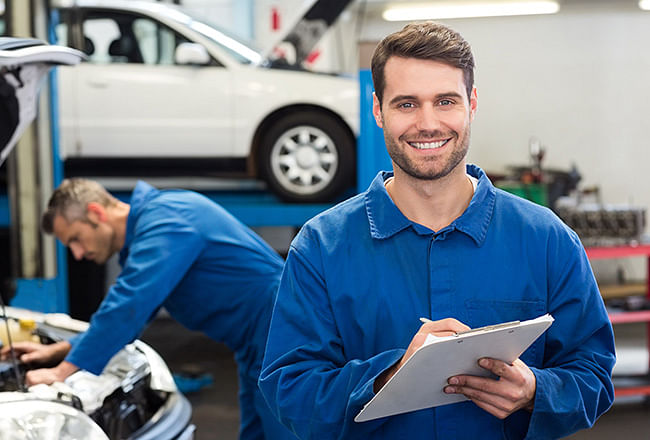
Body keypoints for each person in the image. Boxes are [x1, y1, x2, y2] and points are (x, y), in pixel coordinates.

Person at [258, 21, 615, 440]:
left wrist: (537, 390)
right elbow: (290, 391)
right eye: (406, 104)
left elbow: (593, 375)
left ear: (472, 103)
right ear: (378, 109)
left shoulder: (546, 239)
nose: (428, 124)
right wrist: (390, 373)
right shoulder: (321, 246)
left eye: (445, 101)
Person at [0, 178, 296, 440]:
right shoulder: (155, 226)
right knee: (258, 433)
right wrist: (59, 350)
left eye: (75, 239)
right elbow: (129, 321)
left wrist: (61, 372)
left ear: (96, 213)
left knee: (284, 433)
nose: (77, 254)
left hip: (279, 331)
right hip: (259, 341)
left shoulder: (167, 219)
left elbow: (127, 305)